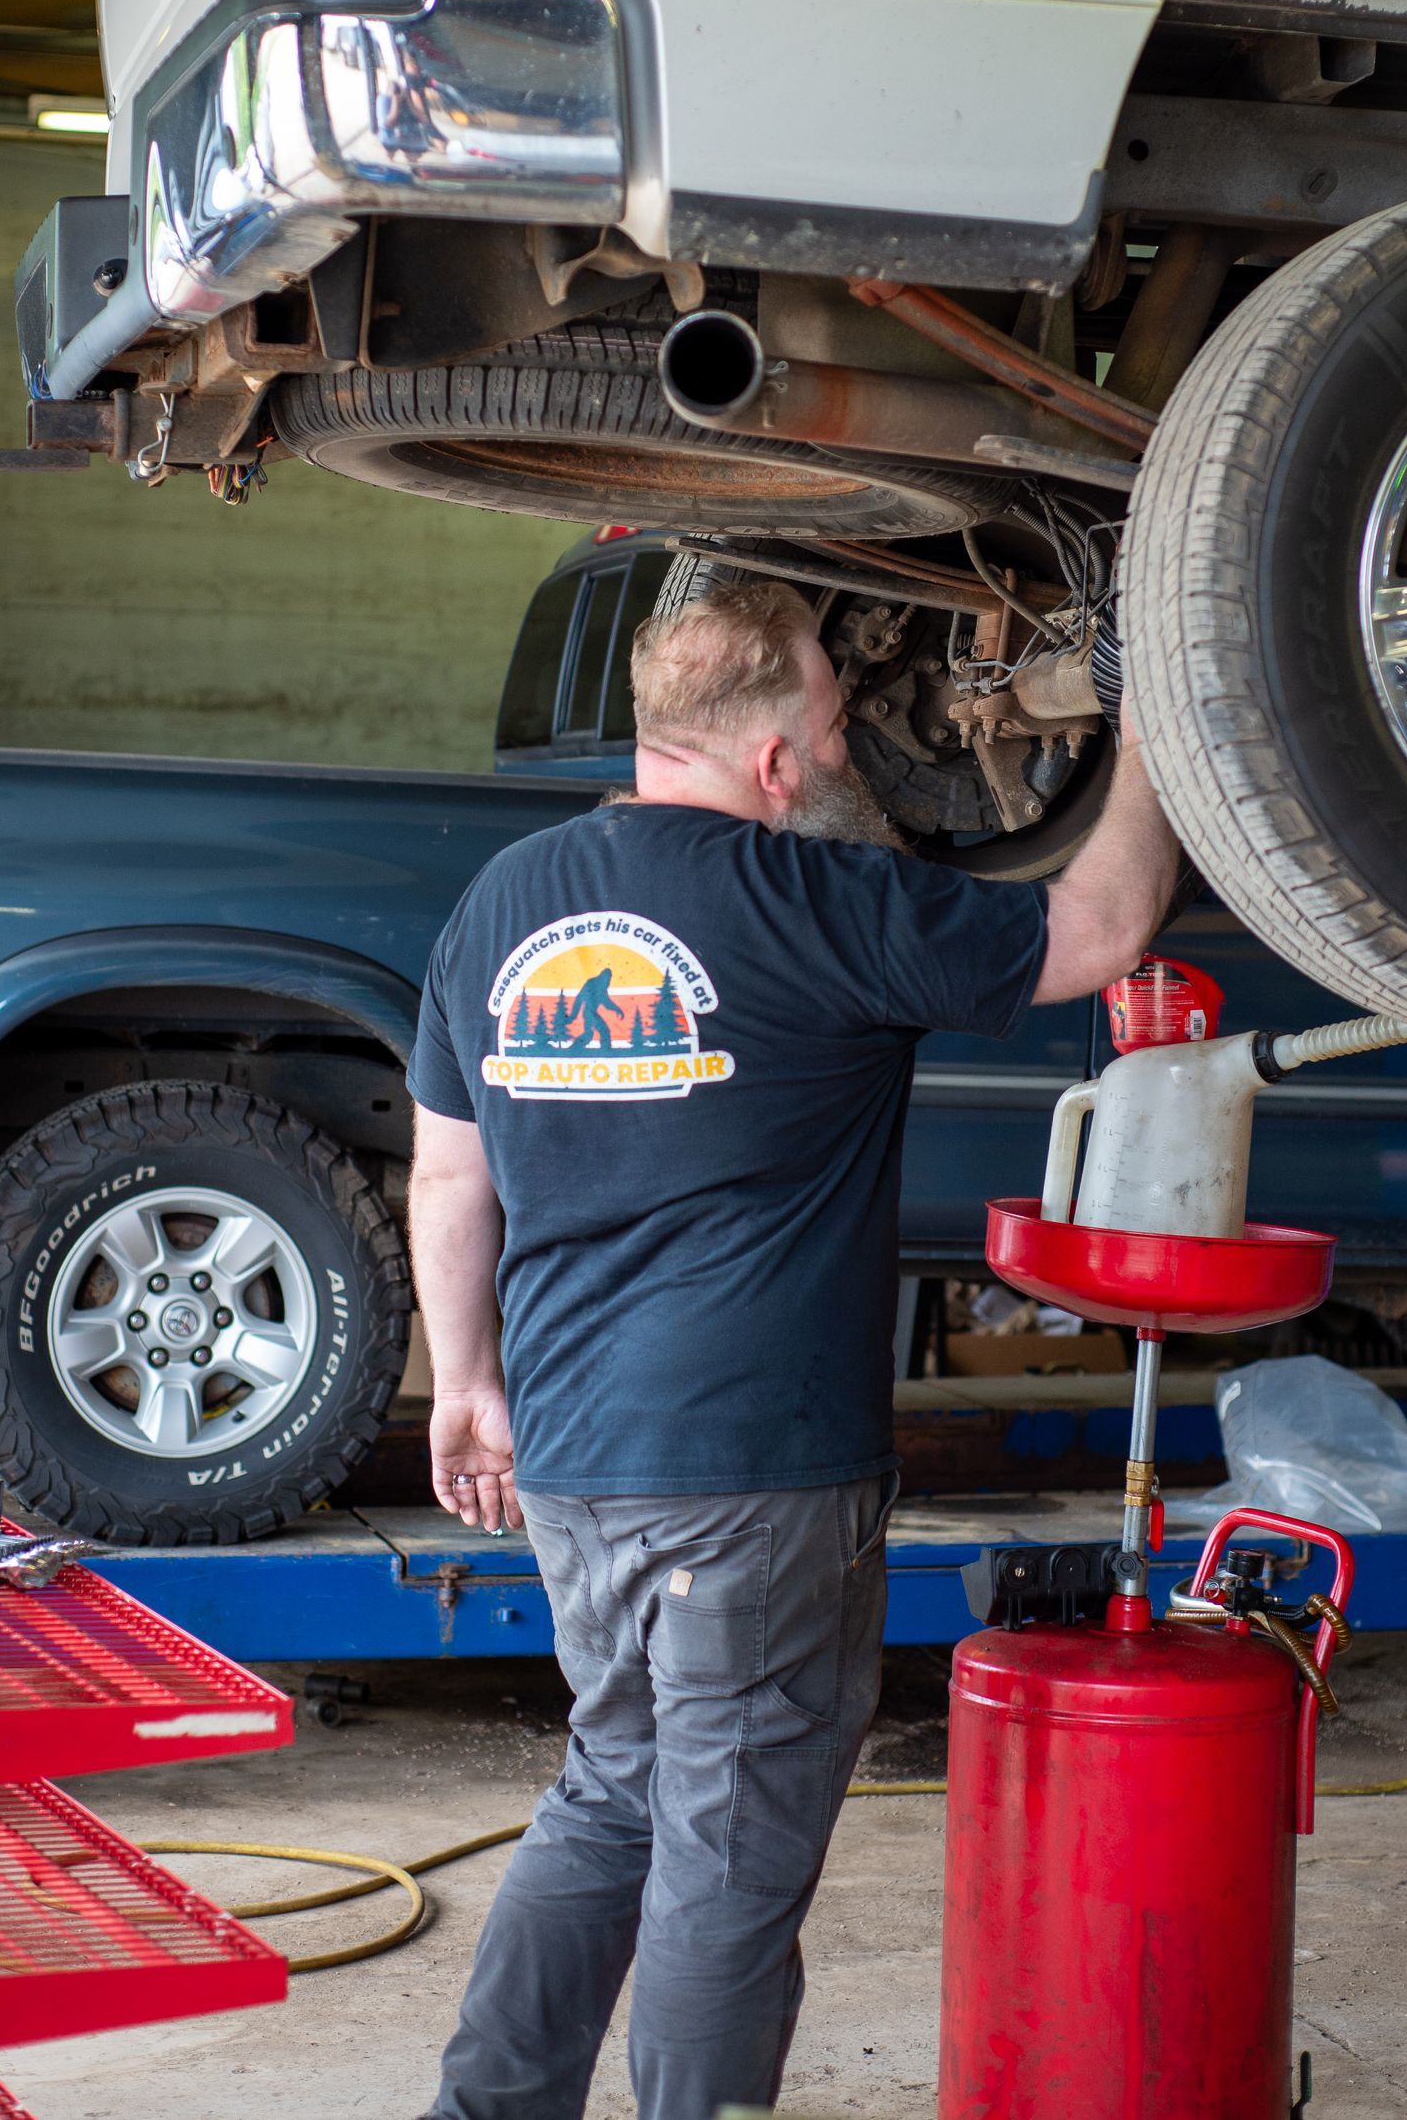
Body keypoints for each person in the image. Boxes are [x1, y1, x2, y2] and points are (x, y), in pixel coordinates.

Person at [408, 577, 1179, 2120]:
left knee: (614, 1790)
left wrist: (468, 1384)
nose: (847, 748)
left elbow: (447, 1167)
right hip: (752, 1478)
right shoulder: (817, 905)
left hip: (570, 1457)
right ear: (772, 765)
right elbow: (1100, 928)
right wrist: (1166, 713)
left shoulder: (504, 902)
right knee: (731, 1855)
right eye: (833, 723)